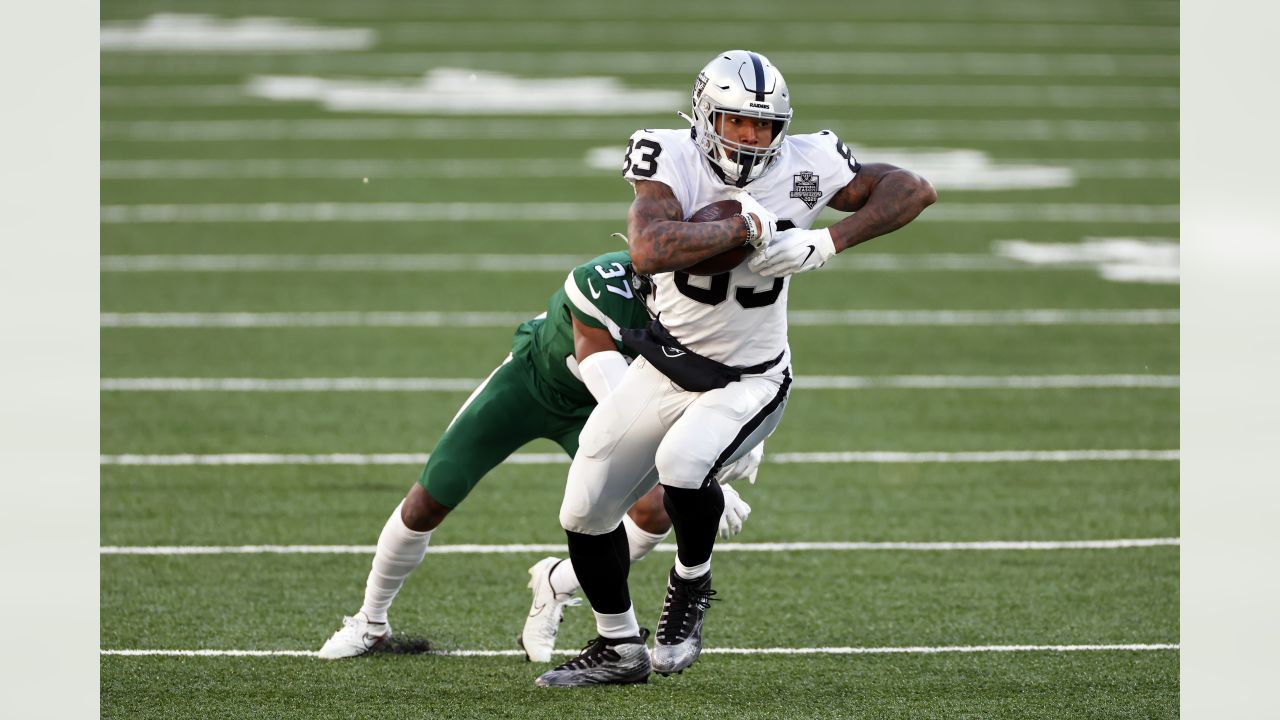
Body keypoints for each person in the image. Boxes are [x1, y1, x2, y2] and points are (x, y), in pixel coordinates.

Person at [535, 50, 936, 687]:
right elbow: (648, 247)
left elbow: (913, 188)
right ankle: (619, 647)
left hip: (750, 376)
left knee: (684, 465)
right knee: (583, 510)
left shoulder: (809, 162)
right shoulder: (668, 156)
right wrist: (744, 227)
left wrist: (828, 240)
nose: (751, 138)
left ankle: (690, 584)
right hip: (667, 366)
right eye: (736, 122)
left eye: (764, 126)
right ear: (703, 114)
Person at [316, 249, 762, 662]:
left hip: (609, 408)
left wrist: (718, 459)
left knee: (656, 511)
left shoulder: (705, 311)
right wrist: (707, 484)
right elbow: (614, 397)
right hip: (532, 387)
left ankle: (559, 583)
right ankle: (371, 621)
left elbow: (727, 383)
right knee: (431, 496)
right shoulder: (602, 285)